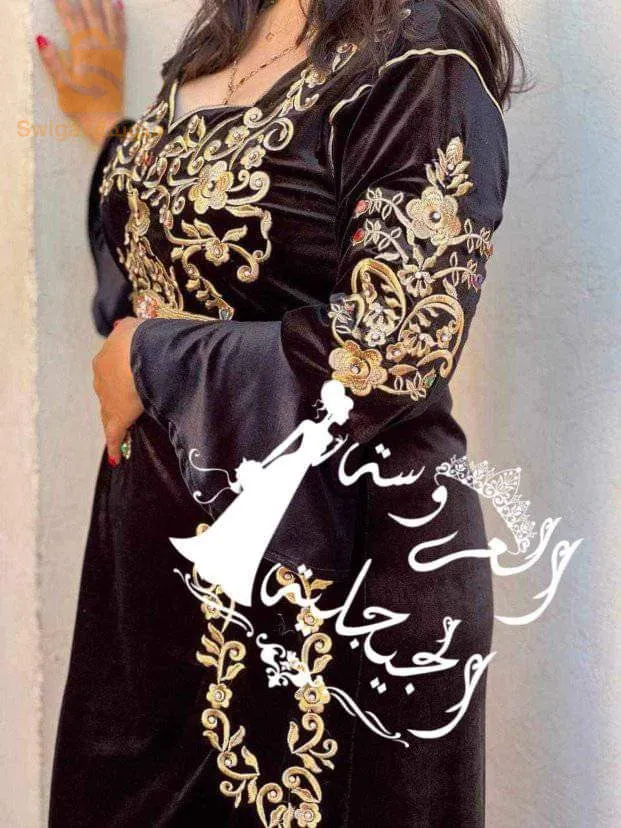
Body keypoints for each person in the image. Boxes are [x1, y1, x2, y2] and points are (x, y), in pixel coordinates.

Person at [39, 0, 529, 824]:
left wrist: (152, 358)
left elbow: (398, 341)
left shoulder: (420, 54)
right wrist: (107, 129)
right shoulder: (235, 27)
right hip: (162, 573)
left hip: (335, 569)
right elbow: (225, 253)